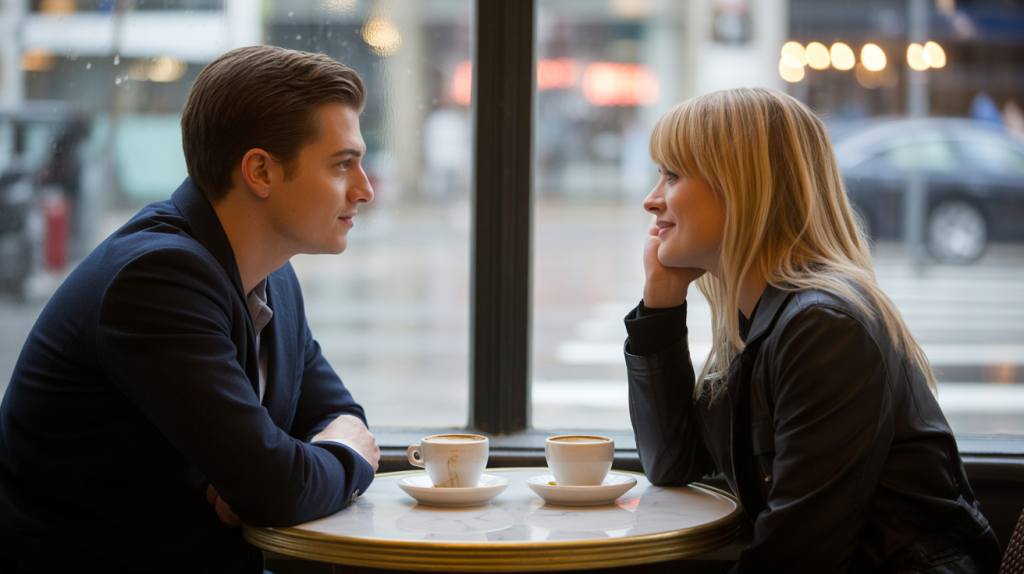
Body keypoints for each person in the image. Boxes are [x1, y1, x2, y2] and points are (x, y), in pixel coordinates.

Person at [0, 45, 380, 572]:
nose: (365, 191)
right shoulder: (155, 279)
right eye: (343, 164)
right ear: (261, 172)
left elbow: (338, 419)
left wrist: (272, 477)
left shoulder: (272, 276)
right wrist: (297, 473)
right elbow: (289, 478)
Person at [624, 87, 1002, 573]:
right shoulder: (763, 318)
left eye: (672, 175)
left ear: (742, 188)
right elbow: (673, 464)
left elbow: (797, 560)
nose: (651, 201)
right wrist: (661, 298)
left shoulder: (823, 326)